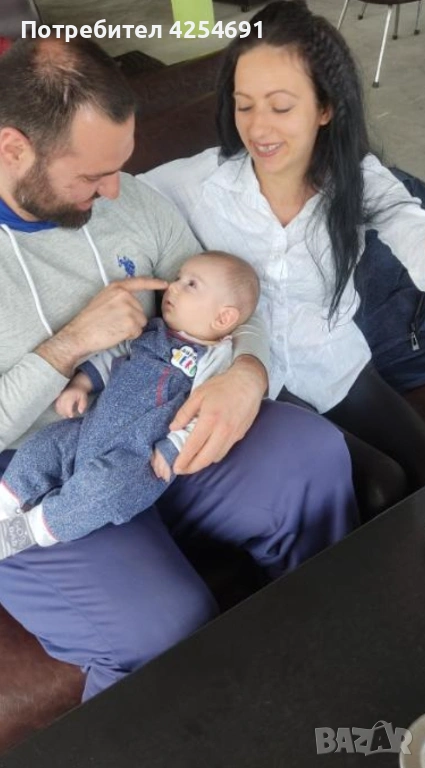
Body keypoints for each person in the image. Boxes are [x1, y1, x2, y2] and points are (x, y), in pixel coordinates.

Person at [0, 35, 357, 701]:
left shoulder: (131, 200)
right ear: (12, 148)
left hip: (164, 423)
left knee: (312, 458)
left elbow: (232, 304)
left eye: (120, 167)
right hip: (35, 475)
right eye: (91, 176)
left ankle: (327, 674)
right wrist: (69, 345)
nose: (114, 191)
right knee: (163, 626)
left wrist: (246, 374)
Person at [143, 0, 425, 493]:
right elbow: (113, 198)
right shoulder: (200, 183)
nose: (258, 129)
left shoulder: (358, 180)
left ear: (325, 108)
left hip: (336, 367)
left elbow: (411, 227)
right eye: (244, 105)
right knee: (383, 485)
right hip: (257, 383)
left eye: (281, 106)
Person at [0, 252, 260, 555]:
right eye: (178, 278)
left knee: (106, 492)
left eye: (191, 285)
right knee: (44, 445)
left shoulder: (215, 359)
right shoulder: (153, 331)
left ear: (223, 318)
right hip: (90, 428)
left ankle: (29, 530)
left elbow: (205, 413)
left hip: (138, 454)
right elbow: (116, 354)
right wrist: (83, 383)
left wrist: (174, 448)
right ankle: (6, 500)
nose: (173, 287)